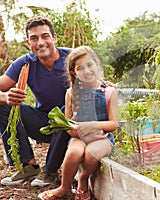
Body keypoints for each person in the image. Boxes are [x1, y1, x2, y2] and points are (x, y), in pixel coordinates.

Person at [38, 46, 118, 200]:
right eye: (80, 68)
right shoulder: (71, 94)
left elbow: (113, 124)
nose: (86, 71)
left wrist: (93, 125)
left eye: (90, 65)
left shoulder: (109, 92)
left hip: (103, 137)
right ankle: (63, 188)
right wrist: (73, 129)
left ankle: (83, 179)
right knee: (73, 153)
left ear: (96, 64)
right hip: (79, 136)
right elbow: (68, 124)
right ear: (74, 72)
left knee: (90, 154)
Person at [0, 16, 72, 186]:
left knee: (65, 109)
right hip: (43, 124)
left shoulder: (72, 57)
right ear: (28, 42)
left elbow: (98, 83)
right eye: (34, 38)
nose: (40, 42)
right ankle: (28, 166)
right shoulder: (25, 63)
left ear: (54, 38)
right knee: (2, 106)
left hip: (72, 124)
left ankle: (50, 171)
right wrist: (5, 96)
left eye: (45, 36)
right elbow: (2, 85)